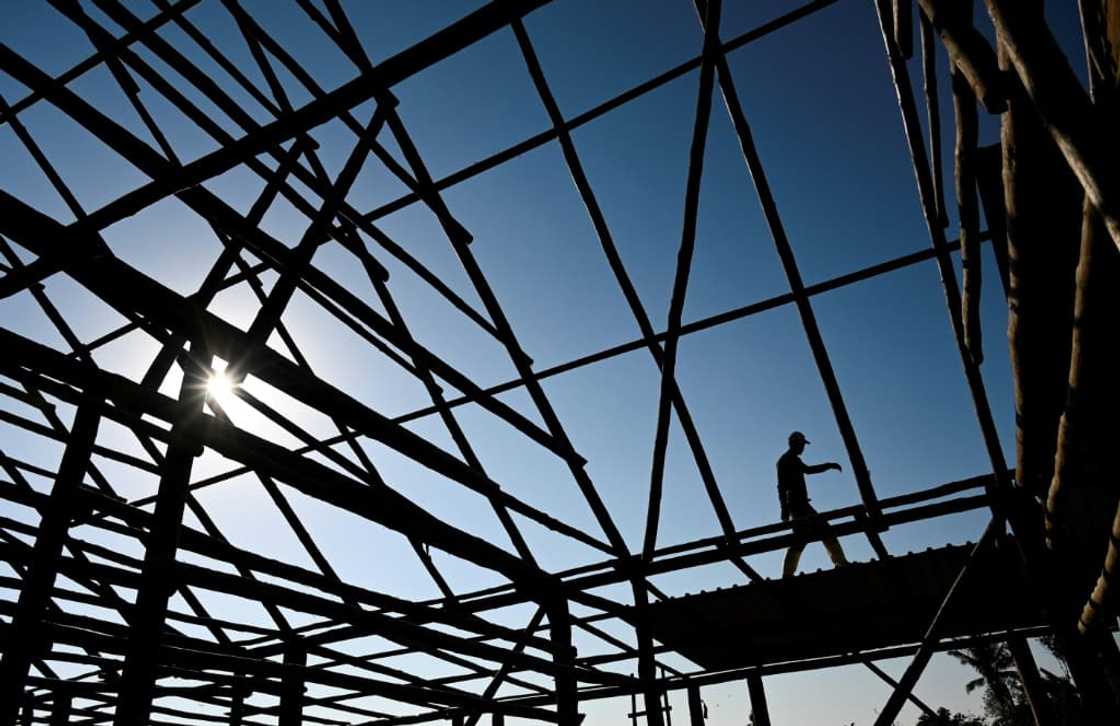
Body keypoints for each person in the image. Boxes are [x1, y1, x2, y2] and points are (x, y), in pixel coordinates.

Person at [777, 431, 850, 577]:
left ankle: (841, 562)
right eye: (802, 445)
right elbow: (782, 487)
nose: (803, 448)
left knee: (823, 531)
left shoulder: (793, 460)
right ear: (795, 444)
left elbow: (808, 470)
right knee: (802, 538)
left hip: (802, 505)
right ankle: (787, 575)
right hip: (797, 506)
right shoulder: (786, 461)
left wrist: (828, 465)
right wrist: (784, 510)